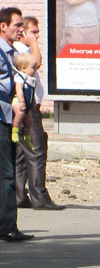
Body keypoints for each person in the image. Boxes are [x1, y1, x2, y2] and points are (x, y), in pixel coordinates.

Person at [14, 16, 62, 210]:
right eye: (33, 32)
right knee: (36, 151)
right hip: (28, 108)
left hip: (27, 107)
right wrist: (33, 43)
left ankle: (19, 195)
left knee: (21, 154)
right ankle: (39, 197)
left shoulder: (21, 50)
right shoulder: (21, 51)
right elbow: (37, 63)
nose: (37, 36)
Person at [0, 7, 34, 241]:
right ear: (3, 26)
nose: (20, 29)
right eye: (17, 25)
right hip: (2, 116)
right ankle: (7, 227)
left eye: (22, 25)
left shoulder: (12, 52)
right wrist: (14, 93)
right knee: (7, 174)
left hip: (8, 116)